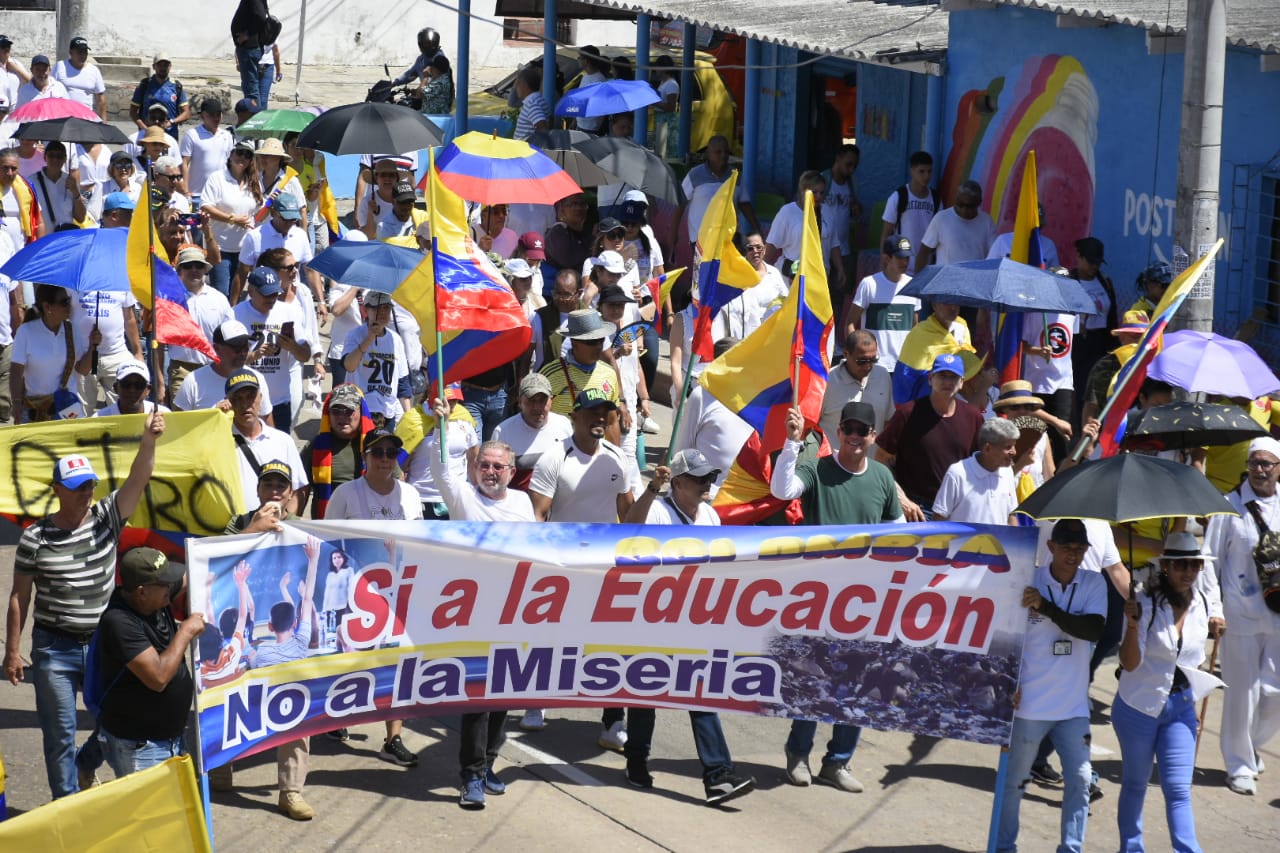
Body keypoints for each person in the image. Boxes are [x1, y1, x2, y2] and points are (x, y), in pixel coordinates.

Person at [3, 412, 165, 798]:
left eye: (90, 485)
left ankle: (87, 761)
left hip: (102, 647)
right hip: (52, 649)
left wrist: (149, 440)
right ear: (57, 489)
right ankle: (66, 808)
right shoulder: (35, 539)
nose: (86, 493)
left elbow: (139, 478)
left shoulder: (107, 518)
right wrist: (12, 651)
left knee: (115, 724)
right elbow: (19, 596)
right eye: (77, 487)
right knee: (58, 735)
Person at [770, 401, 903, 792]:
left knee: (859, 683)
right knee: (813, 682)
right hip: (818, 598)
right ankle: (798, 755)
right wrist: (792, 444)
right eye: (849, 428)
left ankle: (838, 762)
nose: (855, 437)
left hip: (865, 603)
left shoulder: (881, 477)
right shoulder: (819, 468)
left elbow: (895, 531)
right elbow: (782, 489)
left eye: (863, 431)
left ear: (873, 436)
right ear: (839, 431)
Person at [616, 449, 758, 805]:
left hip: (693, 619)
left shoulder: (709, 515)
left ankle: (717, 775)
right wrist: (651, 490)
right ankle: (636, 759)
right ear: (677, 483)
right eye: (698, 479)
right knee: (645, 693)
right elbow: (629, 530)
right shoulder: (660, 511)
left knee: (700, 692)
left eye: (709, 477)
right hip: (651, 618)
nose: (707, 484)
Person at [425, 412, 532, 810]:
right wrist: (440, 428)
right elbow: (440, 467)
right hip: (471, 617)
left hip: (515, 614)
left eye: (498, 466)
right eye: (484, 465)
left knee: (503, 698)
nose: (490, 471)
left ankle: (488, 765)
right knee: (477, 700)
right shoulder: (462, 497)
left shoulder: (522, 503)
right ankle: (470, 774)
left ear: (511, 471)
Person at [529, 388, 634, 747]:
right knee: (552, 639)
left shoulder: (618, 459)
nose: (600, 419)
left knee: (611, 643)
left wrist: (653, 492)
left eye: (605, 413)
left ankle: (612, 721)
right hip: (561, 565)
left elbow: (631, 516)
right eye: (591, 412)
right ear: (574, 417)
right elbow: (537, 516)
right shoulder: (554, 458)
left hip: (605, 568)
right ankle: (535, 701)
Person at [998, 518, 1106, 853]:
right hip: (1030, 703)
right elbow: (1005, 638)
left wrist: (1046, 608)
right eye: (1066, 548)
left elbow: (1092, 631)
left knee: (1081, 780)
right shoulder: (1027, 580)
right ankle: (1004, 847)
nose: (1073, 555)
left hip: (1073, 707)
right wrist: (1006, 683)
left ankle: (1070, 848)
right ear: (1050, 548)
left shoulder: (1093, 583)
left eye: (1079, 549)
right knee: (1014, 783)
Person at [1113, 531, 1224, 852]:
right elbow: (1130, 663)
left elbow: (1194, 661)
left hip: (1180, 708)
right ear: (1166, 566)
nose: (1188, 571)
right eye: (1180, 564)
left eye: (1194, 564)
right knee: (1135, 784)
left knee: (1178, 789)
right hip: (1138, 707)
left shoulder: (1201, 602)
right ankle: (1131, 848)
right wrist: (1132, 626)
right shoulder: (1143, 605)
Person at [323, 429, 424, 769]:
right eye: (377, 452)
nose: (384, 459)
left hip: (399, 592)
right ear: (364, 458)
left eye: (391, 453)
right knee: (350, 661)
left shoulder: (410, 495)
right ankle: (337, 717)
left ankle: (393, 737)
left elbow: (420, 541)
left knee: (397, 666)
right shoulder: (346, 493)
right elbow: (329, 542)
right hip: (356, 592)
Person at [226, 527, 321, 821]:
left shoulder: (260, 653)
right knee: (295, 726)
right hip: (284, 705)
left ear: (270, 626)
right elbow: (304, 605)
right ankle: (289, 789)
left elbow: (243, 620)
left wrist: (241, 586)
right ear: (293, 625)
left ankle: (222, 773)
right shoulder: (301, 642)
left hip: (257, 707)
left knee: (227, 711)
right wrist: (314, 560)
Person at [1203, 436, 1280, 796]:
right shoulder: (1227, 507)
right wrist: (1214, 610)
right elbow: (1209, 562)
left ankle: (1249, 746)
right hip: (1239, 616)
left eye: (1268, 464)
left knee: (1273, 694)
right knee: (1242, 695)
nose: (1260, 469)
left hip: (1277, 618)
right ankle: (1239, 766)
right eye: (1255, 463)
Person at [93, 547, 204, 778]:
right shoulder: (119, 623)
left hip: (171, 738)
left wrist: (252, 531)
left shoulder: (152, 598)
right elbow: (158, 678)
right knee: (147, 814)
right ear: (141, 592)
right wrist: (184, 632)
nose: (170, 587)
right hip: (142, 749)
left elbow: (194, 571)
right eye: (164, 584)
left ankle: (86, 760)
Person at [875, 353, 985, 521]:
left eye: (953, 377)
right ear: (930, 378)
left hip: (959, 508)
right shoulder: (907, 414)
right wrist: (901, 499)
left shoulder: (974, 417)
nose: (947, 382)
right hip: (917, 510)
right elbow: (881, 460)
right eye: (942, 375)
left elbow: (980, 463)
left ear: (962, 382)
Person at [233, 266, 312, 433]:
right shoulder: (235, 315)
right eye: (266, 294)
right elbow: (227, 360)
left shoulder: (289, 311)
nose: (272, 298)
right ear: (251, 290)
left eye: (275, 293)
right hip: (246, 402)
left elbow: (305, 355)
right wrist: (254, 355)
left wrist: (293, 346)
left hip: (279, 401)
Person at [225, 369, 307, 511]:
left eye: (250, 397)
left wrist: (286, 524)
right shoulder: (219, 442)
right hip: (234, 530)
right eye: (238, 398)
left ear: (260, 398)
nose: (245, 404)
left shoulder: (283, 441)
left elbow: (298, 489)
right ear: (229, 402)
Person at [10, 284, 92, 423]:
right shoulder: (26, 332)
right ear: (47, 307)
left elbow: (83, 370)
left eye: (69, 300)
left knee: (72, 443)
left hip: (68, 406)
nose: (70, 306)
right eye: (64, 302)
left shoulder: (72, 329)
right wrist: (16, 403)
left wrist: (93, 347)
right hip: (35, 410)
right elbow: (16, 373)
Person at [202, 139, 263, 300]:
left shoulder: (254, 182)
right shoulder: (217, 178)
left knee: (235, 296)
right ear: (231, 155)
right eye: (239, 153)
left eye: (247, 155)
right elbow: (205, 206)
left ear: (251, 160)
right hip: (219, 247)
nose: (242, 157)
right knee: (221, 293)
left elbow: (257, 212)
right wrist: (232, 219)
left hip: (244, 248)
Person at [173, 319, 273, 416]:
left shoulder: (257, 379)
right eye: (237, 348)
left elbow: (266, 425)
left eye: (246, 346)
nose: (243, 352)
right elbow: (178, 425)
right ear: (216, 348)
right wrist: (214, 415)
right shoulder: (193, 382)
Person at [932, 418, 1019, 524]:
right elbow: (939, 518)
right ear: (987, 448)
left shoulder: (1008, 472)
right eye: (1008, 447)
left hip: (999, 541)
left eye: (1014, 446)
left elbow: (1011, 514)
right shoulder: (957, 473)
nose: (1014, 452)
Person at [342, 290, 409, 428]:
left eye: (387, 308)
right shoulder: (354, 335)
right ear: (366, 309)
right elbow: (349, 365)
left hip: (387, 412)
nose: (383, 312)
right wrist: (370, 338)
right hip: (360, 409)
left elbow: (402, 382)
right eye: (377, 308)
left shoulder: (395, 339)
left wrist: (408, 415)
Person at [1069, 236, 1118, 426]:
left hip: (1101, 342)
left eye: (1097, 263)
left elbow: (1111, 313)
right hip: (1079, 342)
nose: (1093, 267)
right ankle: (1081, 430)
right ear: (1079, 257)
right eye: (1090, 262)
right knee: (1083, 390)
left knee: (1100, 388)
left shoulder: (1104, 282)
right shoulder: (1069, 281)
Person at [850, 237, 918, 371]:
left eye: (907, 258)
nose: (905, 262)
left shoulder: (914, 285)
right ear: (886, 258)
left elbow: (915, 328)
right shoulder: (869, 284)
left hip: (903, 367)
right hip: (873, 366)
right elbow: (850, 323)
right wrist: (857, 357)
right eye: (900, 257)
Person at [680, 135, 761, 246]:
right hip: (701, 241)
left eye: (726, 152)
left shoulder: (735, 176)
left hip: (727, 240)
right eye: (718, 152)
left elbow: (744, 204)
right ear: (708, 153)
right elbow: (680, 203)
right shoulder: (695, 175)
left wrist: (757, 229)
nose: (723, 155)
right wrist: (673, 236)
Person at [819, 330, 894, 439]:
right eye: (862, 361)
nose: (868, 366)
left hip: (872, 456)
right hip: (833, 455)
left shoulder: (883, 376)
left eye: (873, 360)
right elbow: (811, 423)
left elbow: (888, 420)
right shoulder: (826, 381)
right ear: (846, 354)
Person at [916, 179, 996, 273]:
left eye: (969, 206)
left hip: (974, 281)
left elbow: (994, 255)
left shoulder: (987, 222)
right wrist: (917, 282)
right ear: (956, 199)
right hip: (946, 282)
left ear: (979, 203)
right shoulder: (941, 219)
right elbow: (924, 251)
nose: (964, 210)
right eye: (960, 204)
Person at [881, 151, 938, 265]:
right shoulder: (898, 197)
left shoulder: (936, 199)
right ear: (912, 171)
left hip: (927, 268)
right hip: (901, 268)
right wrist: (884, 264)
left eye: (929, 171)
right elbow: (886, 233)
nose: (926, 176)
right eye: (921, 171)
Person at [181, 98, 235, 199]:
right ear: (202, 116)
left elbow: (230, 163)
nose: (216, 118)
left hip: (221, 193)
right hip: (197, 193)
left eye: (218, 114)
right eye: (211, 115)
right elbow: (184, 163)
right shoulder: (192, 135)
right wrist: (186, 190)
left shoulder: (227, 136)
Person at [28, 141, 85, 230]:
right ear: (45, 157)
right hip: (43, 238)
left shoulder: (71, 182)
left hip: (65, 237)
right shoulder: (32, 181)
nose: (55, 160)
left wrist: (75, 192)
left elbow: (81, 218)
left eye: (59, 156)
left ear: (65, 159)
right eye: (51, 155)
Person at [230, 0, 273, 109]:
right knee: (251, 87)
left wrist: (247, 34)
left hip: (249, 48)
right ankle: (255, 116)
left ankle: (253, 120)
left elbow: (260, 17)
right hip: (249, 48)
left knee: (251, 89)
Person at [129, 53, 190, 130]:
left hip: (170, 136)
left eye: (165, 65)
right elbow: (133, 111)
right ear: (154, 66)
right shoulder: (145, 85)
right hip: (147, 135)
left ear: (170, 66)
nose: (163, 68)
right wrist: (143, 128)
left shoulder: (176, 86)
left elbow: (186, 113)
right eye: (160, 65)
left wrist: (171, 122)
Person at [0, 146, 44, 246]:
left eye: (13, 168)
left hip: (21, 250)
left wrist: (39, 249)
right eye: (5, 167)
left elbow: (39, 222)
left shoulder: (27, 188)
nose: (9, 173)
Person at [52, 37, 106, 119]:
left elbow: (100, 99)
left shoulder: (94, 71)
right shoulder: (59, 67)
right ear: (71, 52)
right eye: (79, 52)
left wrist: (104, 121)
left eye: (85, 52)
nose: (83, 55)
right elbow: (49, 89)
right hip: (63, 118)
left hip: (86, 119)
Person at [93, 361, 169, 417]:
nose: (132, 390)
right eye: (126, 384)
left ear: (148, 390)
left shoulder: (163, 415)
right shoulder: (99, 418)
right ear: (116, 388)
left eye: (139, 385)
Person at [573, 46, 610, 134]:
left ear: (586, 61)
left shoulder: (599, 80)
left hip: (591, 127)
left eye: (580, 57)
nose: (578, 60)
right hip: (581, 124)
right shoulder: (585, 76)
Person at [650, 55, 679, 158]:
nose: (655, 70)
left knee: (666, 151)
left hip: (667, 121)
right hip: (660, 119)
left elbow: (670, 107)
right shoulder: (663, 82)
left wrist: (654, 101)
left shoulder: (672, 84)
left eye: (657, 67)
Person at [513, 66, 549, 140]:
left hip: (525, 149)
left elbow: (542, 126)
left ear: (524, 85)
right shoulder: (539, 99)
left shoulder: (532, 103)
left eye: (518, 83)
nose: (516, 86)